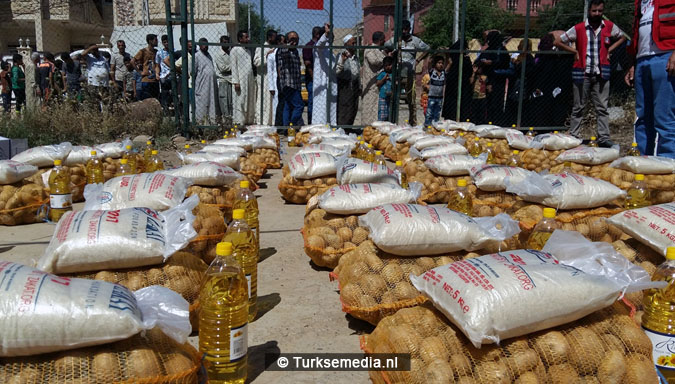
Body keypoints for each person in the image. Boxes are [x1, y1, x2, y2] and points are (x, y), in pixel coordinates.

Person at [555, 0, 626, 147]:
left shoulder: (609, 26)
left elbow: (623, 37)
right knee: (578, 106)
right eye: (594, 11)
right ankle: (574, 136)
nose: (597, 14)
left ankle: (604, 138)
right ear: (589, 11)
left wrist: (609, 50)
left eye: (600, 11)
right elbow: (558, 41)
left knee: (602, 107)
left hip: (601, 72)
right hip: (583, 72)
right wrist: (574, 51)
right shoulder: (579, 28)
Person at [624, 0, 675, 157]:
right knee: (643, 117)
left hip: (664, 56)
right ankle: (643, 161)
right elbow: (637, 34)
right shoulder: (640, 3)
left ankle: (667, 167)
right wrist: (633, 63)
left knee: (664, 117)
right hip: (642, 60)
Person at [385, 20, 430, 125]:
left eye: (406, 29)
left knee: (411, 100)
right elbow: (385, 46)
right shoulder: (395, 40)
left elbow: (427, 49)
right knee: (394, 98)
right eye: (402, 30)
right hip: (397, 74)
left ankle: (412, 122)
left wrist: (418, 60)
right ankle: (392, 121)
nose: (404, 32)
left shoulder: (415, 41)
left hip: (410, 74)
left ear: (409, 29)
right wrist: (391, 56)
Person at [478, 31, 510, 125]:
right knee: (487, 102)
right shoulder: (489, 49)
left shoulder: (502, 50)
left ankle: (496, 123)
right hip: (488, 79)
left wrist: (492, 63)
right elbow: (479, 60)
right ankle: (488, 122)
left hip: (498, 80)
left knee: (496, 103)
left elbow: (505, 63)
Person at [276, 31, 304, 126]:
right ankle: (291, 125)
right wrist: (288, 44)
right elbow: (284, 51)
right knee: (299, 106)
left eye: (296, 39)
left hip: (295, 84)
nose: (295, 41)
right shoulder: (283, 49)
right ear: (287, 40)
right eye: (292, 39)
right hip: (289, 83)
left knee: (288, 106)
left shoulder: (295, 51)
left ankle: (286, 127)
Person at [442, 40, 473, 122]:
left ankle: (451, 119)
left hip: (454, 85)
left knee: (452, 105)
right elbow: (470, 72)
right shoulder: (464, 60)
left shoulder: (453, 60)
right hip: (463, 86)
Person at [313, 23, 338, 125]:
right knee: (321, 106)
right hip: (321, 80)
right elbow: (320, 45)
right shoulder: (319, 47)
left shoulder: (330, 50)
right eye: (329, 35)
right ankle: (319, 127)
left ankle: (331, 126)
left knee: (331, 106)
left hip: (331, 80)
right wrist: (326, 34)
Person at [361, 31, 387, 124]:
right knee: (369, 108)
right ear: (380, 40)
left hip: (378, 84)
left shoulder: (379, 50)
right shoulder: (370, 49)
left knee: (376, 108)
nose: (385, 41)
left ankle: (375, 126)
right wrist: (386, 59)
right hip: (370, 84)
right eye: (383, 40)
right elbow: (374, 61)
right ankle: (367, 126)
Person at [231, 31, 255, 125]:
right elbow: (234, 66)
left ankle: (248, 121)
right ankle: (239, 122)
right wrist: (236, 81)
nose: (248, 39)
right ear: (240, 39)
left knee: (249, 100)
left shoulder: (248, 51)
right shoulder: (235, 50)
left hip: (249, 79)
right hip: (240, 80)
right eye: (246, 37)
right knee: (240, 101)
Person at [192, 38, 219, 124]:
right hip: (202, 85)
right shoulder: (196, 56)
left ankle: (211, 123)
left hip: (211, 85)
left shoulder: (209, 55)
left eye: (207, 44)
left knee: (211, 104)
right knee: (202, 105)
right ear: (199, 46)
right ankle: (200, 124)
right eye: (203, 45)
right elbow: (193, 72)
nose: (205, 46)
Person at [254, 29, 277, 125]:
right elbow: (256, 62)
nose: (276, 39)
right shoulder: (261, 48)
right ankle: (262, 122)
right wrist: (267, 56)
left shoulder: (275, 48)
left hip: (273, 79)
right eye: (275, 37)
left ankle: (272, 122)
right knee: (263, 101)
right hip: (264, 79)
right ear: (270, 37)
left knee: (272, 103)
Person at [336, 34, 360, 126]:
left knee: (353, 106)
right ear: (346, 44)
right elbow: (337, 71)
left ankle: (349, 126)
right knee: (344, 107)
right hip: (344, 85)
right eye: (352, 43)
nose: (354, 45)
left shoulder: (355, 57)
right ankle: (342, 127)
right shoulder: (341, 55)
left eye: (355, 43)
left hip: (354, 84)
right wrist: (342, 60)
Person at [303, 26, 322, 124]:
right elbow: (308, 64)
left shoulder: (320, 46)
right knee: (312, 101)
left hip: (320, 79)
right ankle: (311, 123)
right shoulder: (309, 46)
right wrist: (314, 78)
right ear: (317, 35)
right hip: (312, 79)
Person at [424, 55, 449, 126]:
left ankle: (435, 126)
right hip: (432, 96)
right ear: (435, 64)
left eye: (442, 63)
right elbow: (429, 62)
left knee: (437, 113)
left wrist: (446, 54)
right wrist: (436, 53)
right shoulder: (432, 72)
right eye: (438, 63)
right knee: (429, 113)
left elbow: (450, 63)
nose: (440, 65)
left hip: (440, 97)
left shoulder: (444, 73)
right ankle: (427, 126)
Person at [133, 33, 159, 100]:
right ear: (150, 41)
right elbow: (132, 61)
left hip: (155, 79)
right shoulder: (143, 51)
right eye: (155, 40)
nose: (157, 42)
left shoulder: (156, 52)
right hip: (146, 80)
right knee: (147, 99)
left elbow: (157, 64)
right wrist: (140, 72)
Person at [213, 35, 233, 121]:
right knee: (224, 103)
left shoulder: (231, 53)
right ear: (220, 43)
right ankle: (225, 122)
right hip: (223, 80)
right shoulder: (218, 54)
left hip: (232, 80)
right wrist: (234, 66)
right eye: (224, 42)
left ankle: (231, 122)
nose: (226, 44)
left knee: (231, 103)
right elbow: (223, 68)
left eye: (227, 42)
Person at [155, 35, 172, 112]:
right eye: (164, 42)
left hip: (172, 75)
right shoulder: (159, 53)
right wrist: (157, 74)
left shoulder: (174, 51)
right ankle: (165, 108)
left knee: (173, 93)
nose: (166, 44)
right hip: (163, 76)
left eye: (168, 42)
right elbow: (157, 65)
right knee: (164, 92)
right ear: (162, 43)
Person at [376, 56, 394, 121]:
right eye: (386, 66)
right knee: (382, 113)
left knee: (390, 113)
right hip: (383, 97)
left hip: (391, 97)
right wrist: (384, 79)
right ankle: (380, 125)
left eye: (389, 65)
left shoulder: (394, 74)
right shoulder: (382, 74)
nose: (388, 67)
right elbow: (378, 84)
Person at [274, 35, 287, 126]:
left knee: (284, 103)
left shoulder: (279, 51)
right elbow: (279, 68)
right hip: (282, 81)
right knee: (282, 103)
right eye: (283, 41)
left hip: (283, 80)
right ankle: (280, 124)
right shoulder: (280, 51)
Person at [267, 34, 279, 125]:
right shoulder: (272, 54)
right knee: (276, 104)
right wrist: (271, 87)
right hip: (275, 83)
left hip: (285, 83)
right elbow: (270, 71)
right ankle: (277, 124)